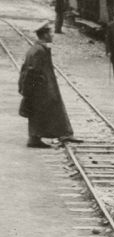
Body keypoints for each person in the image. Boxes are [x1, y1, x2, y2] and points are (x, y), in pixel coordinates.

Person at [19, 20, 81, 148]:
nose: (52, 35)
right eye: (50, 33)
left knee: (46, 111)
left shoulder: (40, 48)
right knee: (39, 112)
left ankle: (62, 133)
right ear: (45, 35)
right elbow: (32, 71)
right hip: (40, 89)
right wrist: (33, 89)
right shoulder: (38, 50)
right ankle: (35, 138)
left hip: (42, 88)